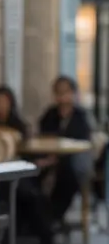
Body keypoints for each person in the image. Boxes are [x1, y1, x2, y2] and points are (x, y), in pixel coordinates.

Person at [0, 86, 53, 244]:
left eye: (4, 102)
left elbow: (27, 154)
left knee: (29, 194)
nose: (0, 106)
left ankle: (43, 234)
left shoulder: (18, 125)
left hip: (15, 169)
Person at [39, 76, 94, 222]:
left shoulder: (81, 116)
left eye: (66, 92)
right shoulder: (50, 114)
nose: (62, 97)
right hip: (49, 157)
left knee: (68, 174)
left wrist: (56, 159)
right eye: (59, 92)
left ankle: (53, 217)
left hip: (71, 162)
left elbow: (82, 143)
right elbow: (43, 137)